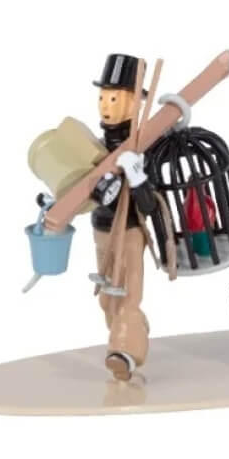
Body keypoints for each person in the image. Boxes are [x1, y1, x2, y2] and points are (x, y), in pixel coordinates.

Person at [91, 54, 157, 381]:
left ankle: (124, 353)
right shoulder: (95, 146)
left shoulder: (144, 148)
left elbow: (151, 205)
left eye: (114, 98)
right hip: (101, 228)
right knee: (107, 299)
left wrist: (137, 176)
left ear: (134, 103)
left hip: (129, 229)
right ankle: (130, 334)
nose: (105, 105)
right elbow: (83, 188)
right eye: (103, 97)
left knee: (128, 294)